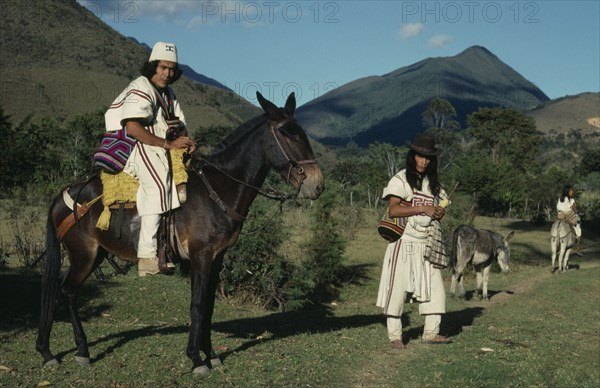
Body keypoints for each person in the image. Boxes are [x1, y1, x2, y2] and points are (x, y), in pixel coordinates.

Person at [104, 42, 196, 276]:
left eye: (172, 69)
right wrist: (169, 144)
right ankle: (146, 256)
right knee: (158, 183)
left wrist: (186, 140)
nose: (167, 73)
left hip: (154, 144)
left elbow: (177, 124)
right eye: (163, 67)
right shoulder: (141, 86)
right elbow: (133, 127)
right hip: (128, 144)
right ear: (153, 66)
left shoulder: (168, 93)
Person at [376, 133, 450, 348]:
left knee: (435, 288)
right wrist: (422, 207)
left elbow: (437, 208)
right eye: (420, 156)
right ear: (413, 155)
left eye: (428, 157)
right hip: (404, 242)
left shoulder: (433, 185)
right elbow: (394, 209)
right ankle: (395, 336)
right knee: (397, 288)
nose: (423, 161)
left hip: (426, 243)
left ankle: (431, 332)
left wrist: (437, 212)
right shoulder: (400, 179)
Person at [556, 185, 583, 257]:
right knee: (578, 230)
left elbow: (558, 208)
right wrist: (580, 211)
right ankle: (577, 249)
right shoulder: (571, 200)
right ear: (567, 191)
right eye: (571, 190)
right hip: (569, 217)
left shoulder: (560, 198)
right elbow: (575, 210)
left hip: (560, 217)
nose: (572, 192)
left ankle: (557, 247)